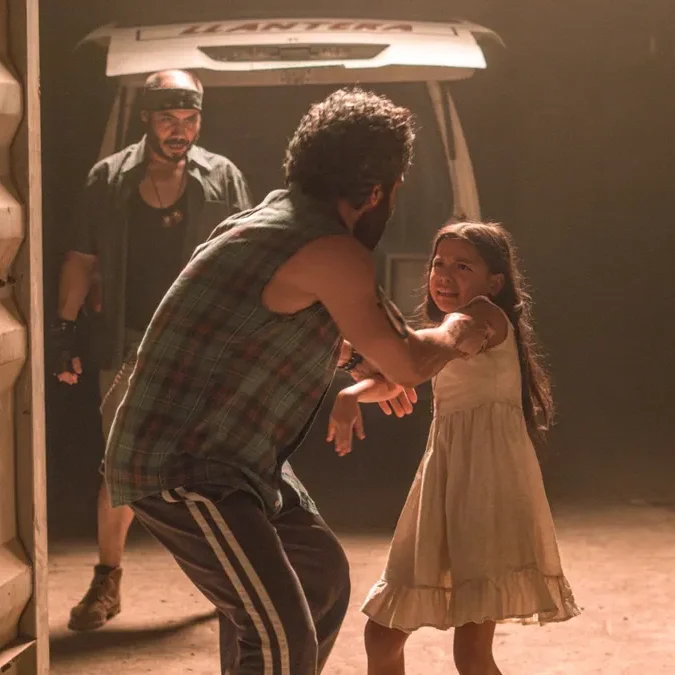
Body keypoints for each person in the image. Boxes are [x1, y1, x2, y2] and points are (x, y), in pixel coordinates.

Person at [103, 87, 494, 674]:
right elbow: (412, 363)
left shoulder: (266, 219)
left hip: (236, 457)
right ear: (377, 191)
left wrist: (358, 363)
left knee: (318, 580)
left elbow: (265, 329)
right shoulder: (329, 248)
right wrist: (461, 326)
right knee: (279, 637)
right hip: (186, 464)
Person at [327, 221, 581, 675]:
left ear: (494, 282)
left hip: (486, 487)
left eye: (463, 266)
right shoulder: (444, 333)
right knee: (382, 636)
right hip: (443, 482)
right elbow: (399, 375)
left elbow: (434, 346)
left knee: (472, 655)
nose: (444, 275)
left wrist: (368, 345)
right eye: (439, 263)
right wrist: (352, 390)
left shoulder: (480, 318)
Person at [48, 69, 252, 632]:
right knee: (121, 465)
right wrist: (64, 332)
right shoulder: (109, 178)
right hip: (129, 342)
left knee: (212, 466)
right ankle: (107, 580)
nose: (179, 130)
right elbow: (81, 258)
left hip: (202, 345)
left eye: (189, 119)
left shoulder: (223, 176)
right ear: (146, 118)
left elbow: (246, 259)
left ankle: (228, 584)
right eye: (168, 118)